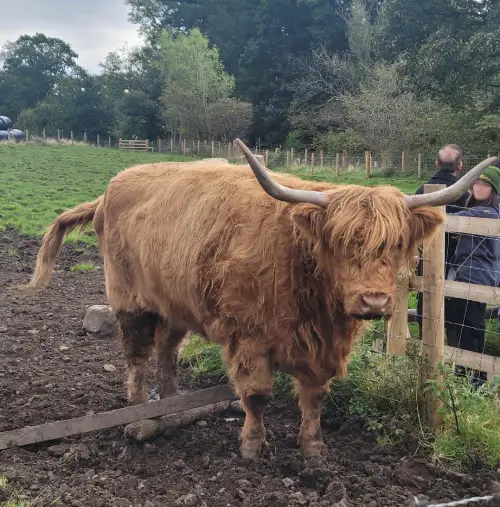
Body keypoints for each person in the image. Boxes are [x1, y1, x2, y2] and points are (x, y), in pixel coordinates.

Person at [445, 165, 500, 387]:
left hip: (474, 276)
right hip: (478, 275)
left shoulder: (485, 213)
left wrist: (441, 215)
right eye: (476, 183)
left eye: (485, 184)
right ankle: (467, 370)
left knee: (469, 325)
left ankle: (474, 376)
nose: (478, 187)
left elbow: (452, 218)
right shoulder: (485, 212)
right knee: (469, 323)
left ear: (494, 189)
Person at [415, 145, 470, 338]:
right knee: (455, 307)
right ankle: (454, 351)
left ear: (436, 164)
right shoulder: (466, 195)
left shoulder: (421, 192)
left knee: (426, 302)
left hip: (426, 261)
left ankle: (425, 344)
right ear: (460, 166)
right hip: (456, 263)